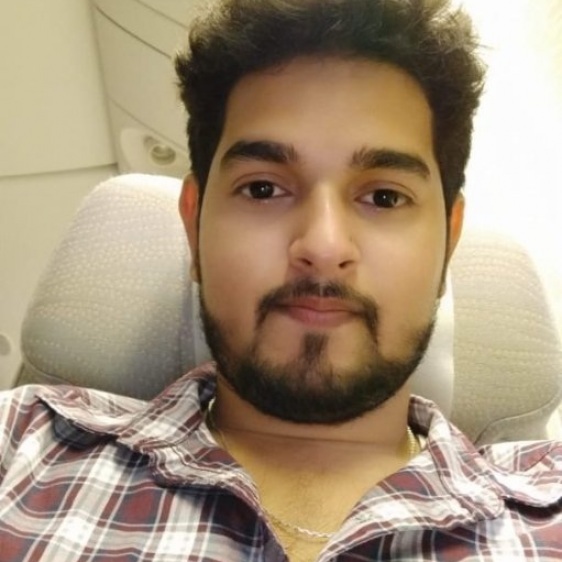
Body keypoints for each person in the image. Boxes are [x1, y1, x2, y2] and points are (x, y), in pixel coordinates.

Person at [1, 0, 562, 560]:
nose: (323, 247)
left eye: (384, 197)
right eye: (263, 189)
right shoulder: (19, 447)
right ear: (194, 227)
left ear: (448, 243)